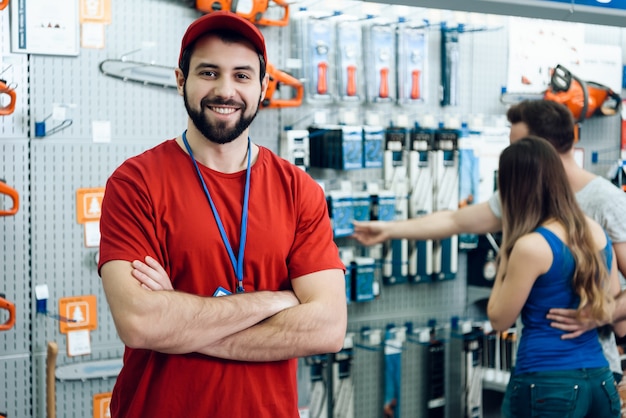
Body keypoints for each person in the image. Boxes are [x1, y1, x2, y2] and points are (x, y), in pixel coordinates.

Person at [97, 11, 347, 418]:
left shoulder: (299, 191)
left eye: (243, 76)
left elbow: (328, 327)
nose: (226, 90)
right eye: (209, 73)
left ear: (264, 87)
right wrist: (275, 301)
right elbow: (141, 323)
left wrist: (179, 324)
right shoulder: (136, 183)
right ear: (182, 80)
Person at [352, 99, 626, 382]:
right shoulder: (522, 196)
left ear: (539, 148)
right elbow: (454, 221)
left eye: (515, 145)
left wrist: (601, 315)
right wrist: (390, 230)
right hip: (536, 366)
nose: (511, 155)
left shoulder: (607, 201)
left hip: (594, 365)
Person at [487, 135, 621, 417]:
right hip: (600, 380)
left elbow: (500, 318)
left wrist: (507, 250)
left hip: (546, 384)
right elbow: (611, 300)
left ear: (512, 188)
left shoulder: (530, 246)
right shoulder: (595, 232)